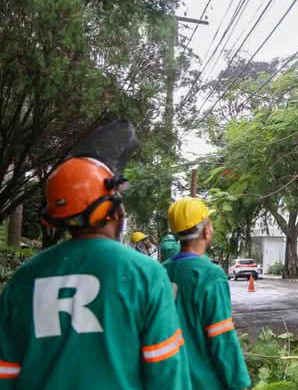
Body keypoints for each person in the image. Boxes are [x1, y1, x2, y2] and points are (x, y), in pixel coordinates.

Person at [0, 128, 191, 389]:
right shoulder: (146, 273)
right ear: (113, 209)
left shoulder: (24, 277)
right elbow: (166, 371)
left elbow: (6, 372)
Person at [163, 197, 251, 390]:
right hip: (204, 382)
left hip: (170, 378)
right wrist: (239, 382)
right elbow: (221, 335)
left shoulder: (161, 271)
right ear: (206, 230)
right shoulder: (210, 275)